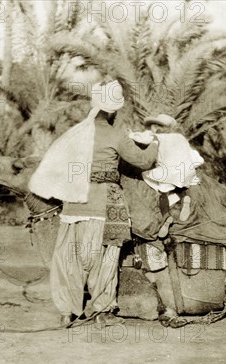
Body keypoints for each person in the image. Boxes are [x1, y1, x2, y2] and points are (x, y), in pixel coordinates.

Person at [28, 80, 159, 326]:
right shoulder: (115, 134)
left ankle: (67, 312)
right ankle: (102, 312)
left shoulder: (76, 133)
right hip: (104, 206)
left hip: (74, 207)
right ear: (113, 110)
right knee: (104, 259)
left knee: (70, 259)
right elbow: (142, 161)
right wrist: (154, 143)